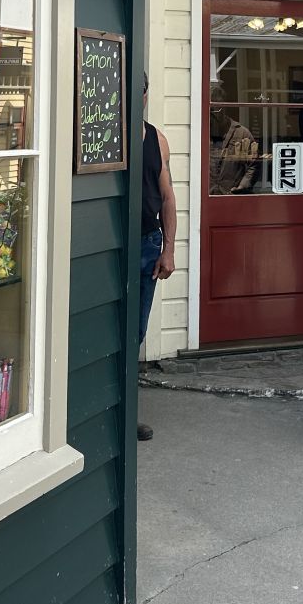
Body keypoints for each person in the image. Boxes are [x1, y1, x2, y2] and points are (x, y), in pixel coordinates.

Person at [138, 73, 176, 441]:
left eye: (141, 91)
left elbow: (167, 197)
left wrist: (168, 248)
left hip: (148, 243)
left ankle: (127, 412)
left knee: (135, 330)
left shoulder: (156, 138)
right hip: (113, 245)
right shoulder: (102, 134)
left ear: (146, 94)